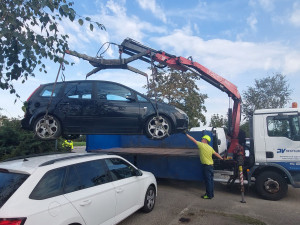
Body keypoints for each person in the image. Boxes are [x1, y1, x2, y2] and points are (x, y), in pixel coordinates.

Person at [185, 132, 223, 199]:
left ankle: (208, 195)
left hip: (206, 166)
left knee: (208, 181)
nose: (201, 139)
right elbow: (216, 153)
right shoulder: (210, 147)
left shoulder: (201, 145)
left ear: (205, 140)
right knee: (211, 181)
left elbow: (193, 139)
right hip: (211, 166)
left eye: (202, 139)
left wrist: (186, 134)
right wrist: (222, 158)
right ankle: (211, 194)